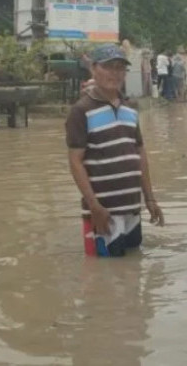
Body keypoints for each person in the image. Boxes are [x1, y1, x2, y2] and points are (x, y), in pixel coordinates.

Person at [66, 44, 164, 257]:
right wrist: (94, 205)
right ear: (94, 69)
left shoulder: (130, 109)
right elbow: (75, 162)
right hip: (103, 212)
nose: (115, 73)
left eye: (120, 68)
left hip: (131, 209)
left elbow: (140, 153)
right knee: (103, 276)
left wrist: (149, 199)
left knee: (130, 274)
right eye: (109, 67)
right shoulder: (81, 111)